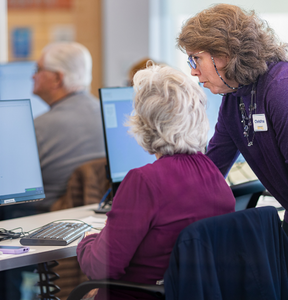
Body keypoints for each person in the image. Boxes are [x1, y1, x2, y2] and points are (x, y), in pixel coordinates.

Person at [76, 63, 236, 300]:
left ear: (145, 122)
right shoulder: (213, 175)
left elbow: (102, 267)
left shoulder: (143, 181)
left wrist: (86, 241)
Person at [177, 3, 288, 232]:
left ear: (223, 55)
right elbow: (209, 174)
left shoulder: (280, 90)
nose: (192, 70)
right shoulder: (233, 101)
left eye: (195, 59)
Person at [33, 42, 106, 213]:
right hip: (93, 219)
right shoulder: (106, 114)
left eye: (37, 70)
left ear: (57, 78)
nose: (32, 77)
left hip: (42, 219)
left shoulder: (38, 128)